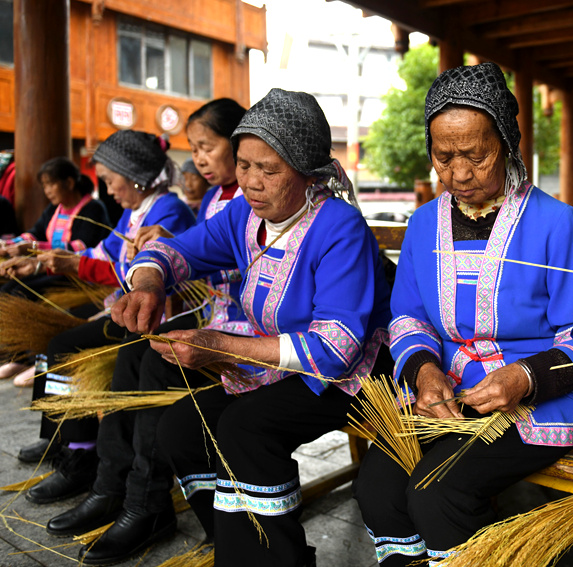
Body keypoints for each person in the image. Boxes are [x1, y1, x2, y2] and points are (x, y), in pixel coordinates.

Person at [112, 88, 391, 567]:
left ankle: (277, 558)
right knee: (182, 428)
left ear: (307, 172)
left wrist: (221, 345)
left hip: (352, 375)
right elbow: (178, 251)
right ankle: (239, 547)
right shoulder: (244, 214)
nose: (251, 183)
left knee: (245, 427)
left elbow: (337, 347)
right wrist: (149, 282)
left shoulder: (337, 226)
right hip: (281, 365)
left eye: (270, 169)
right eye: (244, 165)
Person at [352, 62, 573, 566]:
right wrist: (423, 371)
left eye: (476, 154)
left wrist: (525, 378)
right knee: (376, 486)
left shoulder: (556, 222)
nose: (459, 173)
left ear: (506, 142)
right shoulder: (423, 226)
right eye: (443, 157)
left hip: (533, 398)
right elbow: (408, 318)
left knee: (436, 493)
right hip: (448, 391)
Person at [43, 98, 252, 566]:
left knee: (150, 359)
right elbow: (191, 257)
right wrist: (160, 258)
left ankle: (143, 500)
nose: (197, 160)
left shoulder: (244, 200)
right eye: (192, 149)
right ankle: (115, 485)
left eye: (206, 147)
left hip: (250, 333)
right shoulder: (217, 200)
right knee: (135, 354)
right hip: (216, 317)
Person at [2, 130, 196, 502]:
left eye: (109, 180)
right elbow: (106, 251)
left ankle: (83, 454)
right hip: (125, 309)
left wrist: (74, 263)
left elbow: (143, 272)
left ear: (134, 174)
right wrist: (48, 260)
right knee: (59, 344)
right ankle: (63, 442)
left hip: (152, 317)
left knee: (67, 347)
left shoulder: (168, 211)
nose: (107, 190)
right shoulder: (133, 212)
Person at [0, 157, 110, 381]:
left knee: (25, 293)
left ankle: (40, 357)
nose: (47, 190)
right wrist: (11, 246)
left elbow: (81, 246)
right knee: (9, 290)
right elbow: (36, 233)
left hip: (78, 274)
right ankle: (19, 356)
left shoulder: (92, 208)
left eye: (51, 184)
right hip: (52, 268)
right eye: (45, 185)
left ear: (69, 183)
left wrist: (31, 248)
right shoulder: (54, 209)